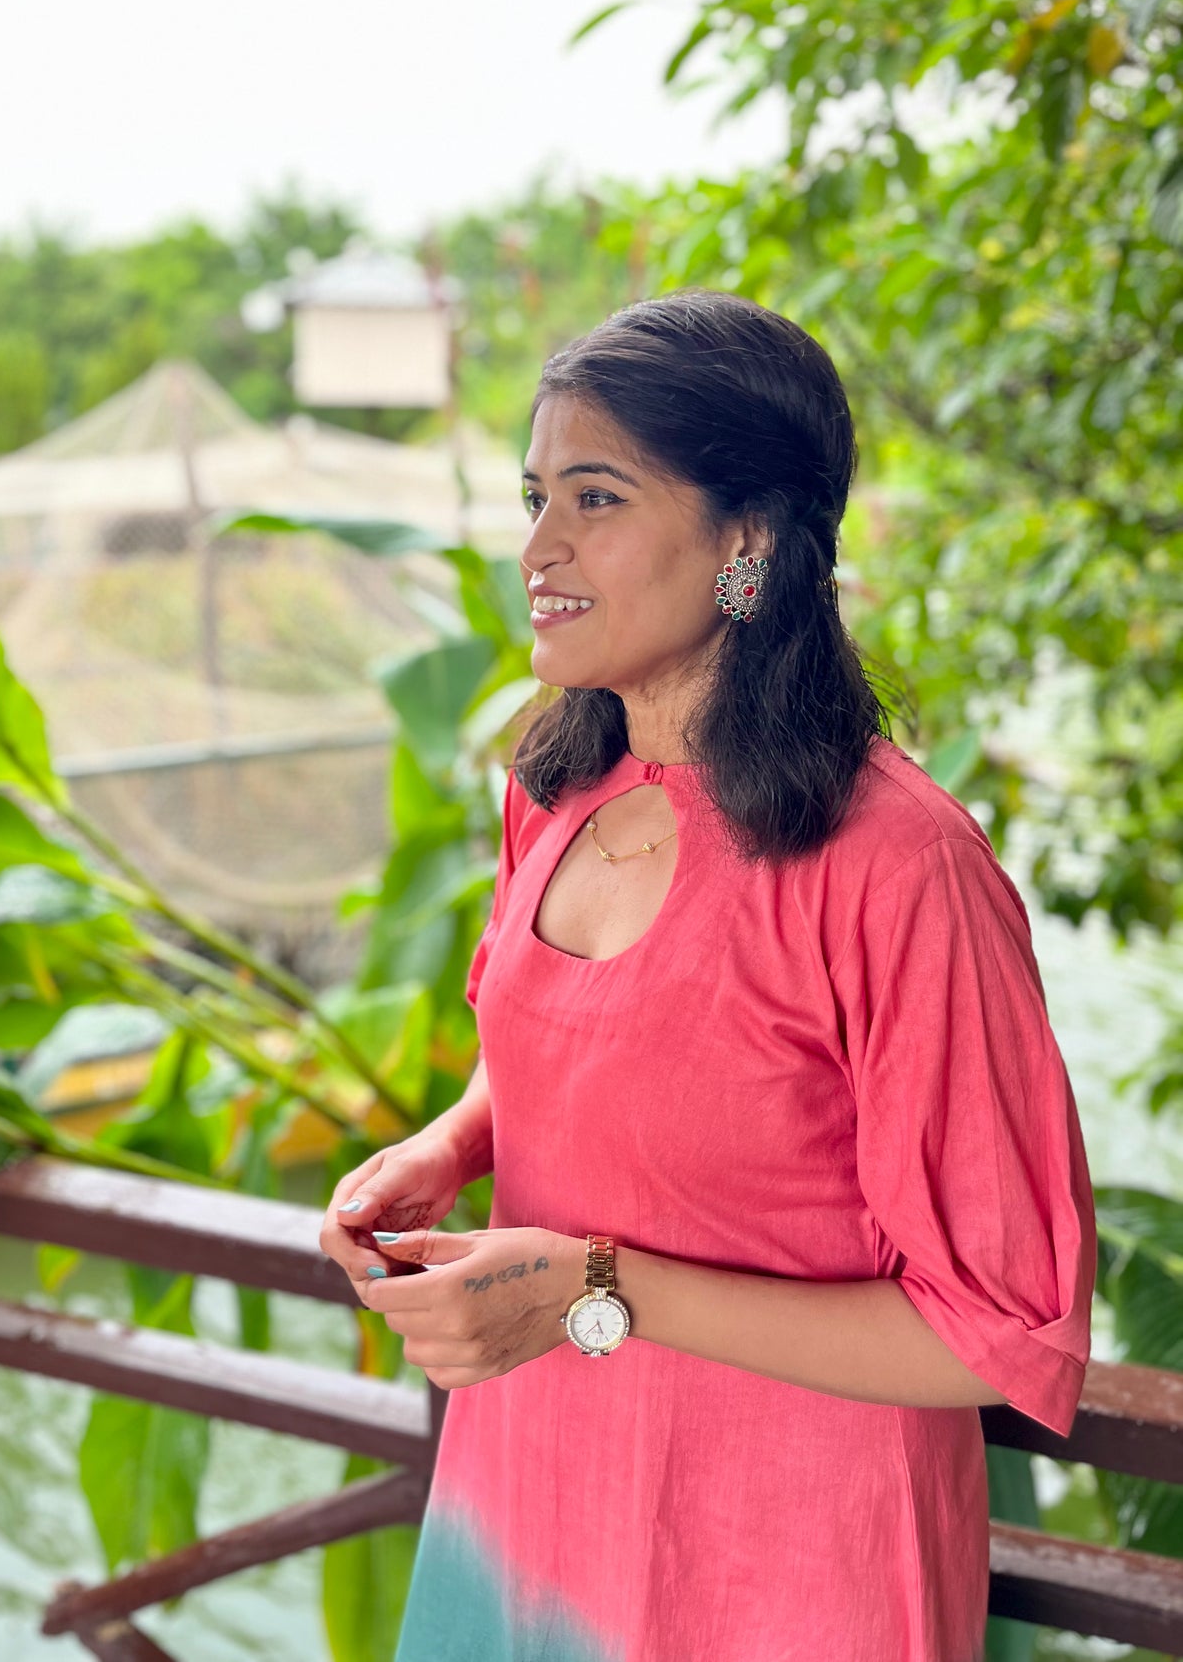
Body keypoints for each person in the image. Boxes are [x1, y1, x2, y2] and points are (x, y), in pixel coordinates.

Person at [317, 290, 1096, 1662]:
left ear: (747, 540)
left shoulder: (898, 868)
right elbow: (598, 1044)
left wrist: (591, 1289)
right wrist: (448, 1146)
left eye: (596, 499)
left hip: (791, 1566)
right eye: (533, 496)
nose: (537, 549)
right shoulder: (550, 793)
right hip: (523, 1514)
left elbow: (998, 1334)